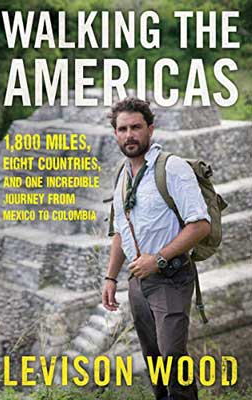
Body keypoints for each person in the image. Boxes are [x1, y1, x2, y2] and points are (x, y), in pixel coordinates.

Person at [102, 97, 211, 400]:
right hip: (138, 282)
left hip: (171, 277)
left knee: (173, 358)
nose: (129, 135)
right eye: (122, 129)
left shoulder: (171, 168)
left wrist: (159, 259)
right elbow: (121, 232)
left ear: (150, 128)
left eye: (136, 127)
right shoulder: (123, 175)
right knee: (154, 360)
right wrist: (110, 278)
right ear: (115, 134)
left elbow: (201, 224)